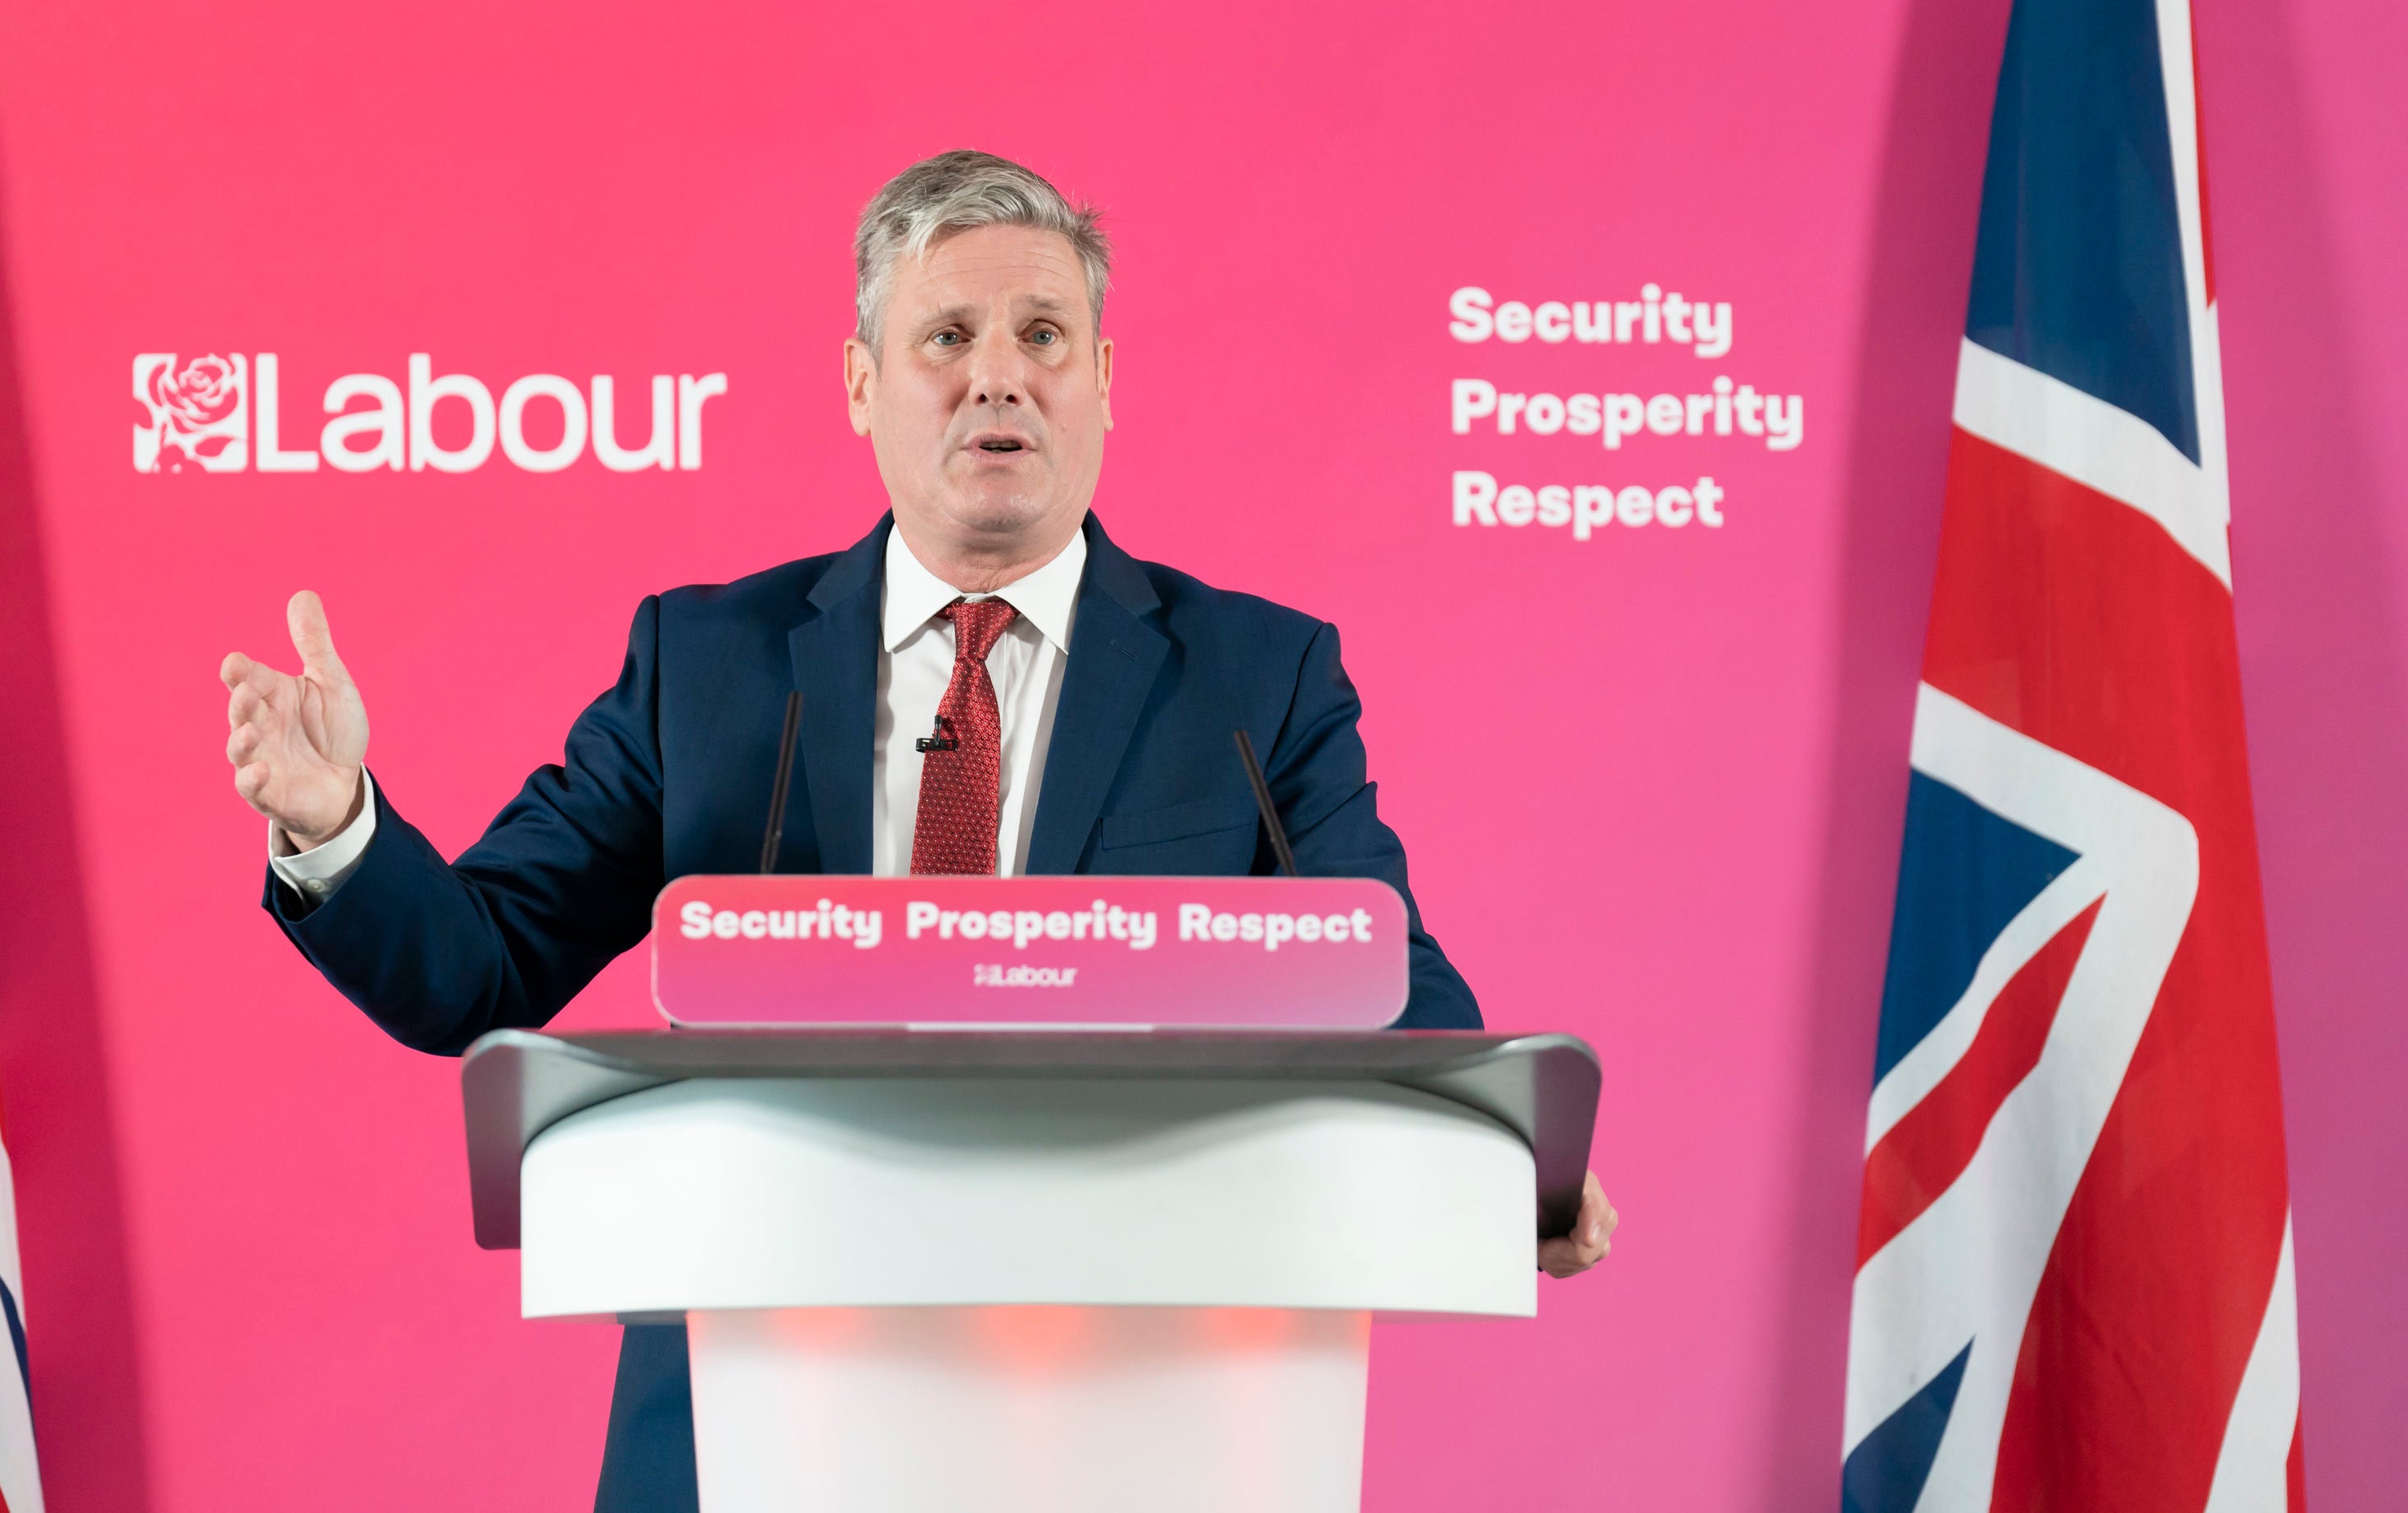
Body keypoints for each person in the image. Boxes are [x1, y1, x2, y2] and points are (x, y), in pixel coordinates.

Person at [221, 149, 1617, 1512]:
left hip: (1143, 1414)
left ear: (1106, 383)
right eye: (947, 333)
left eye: (1044, 334)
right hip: (756, 1407)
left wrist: (1507, 1157)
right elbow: (480, 969)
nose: (998, 372)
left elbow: (1388, 981)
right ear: (860, 382)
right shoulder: (704, 665)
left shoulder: (1261, 682)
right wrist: (336, 818)